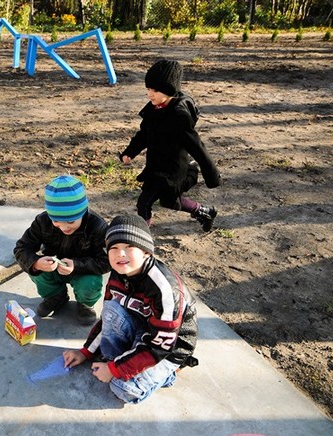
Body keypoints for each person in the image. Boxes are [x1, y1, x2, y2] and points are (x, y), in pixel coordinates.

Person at [63, 214, 198, 404]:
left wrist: (114, 369)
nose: (121, 254)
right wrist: (86, 352)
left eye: (129, 247)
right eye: (114, 248)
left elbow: (159, 346)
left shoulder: (165, 289)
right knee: (110, 313)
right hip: (141, 328)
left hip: (169, 347)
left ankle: (169, 373)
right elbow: (107, 318)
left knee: (122, 388)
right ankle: (123, 358)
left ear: (146, 252)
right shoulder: (119, 273)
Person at [119, 59, 222, 232]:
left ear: (169, 90)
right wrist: (130, 152)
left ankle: (142, 239)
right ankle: (205, 211)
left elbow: (196, 146)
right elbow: (143, 134)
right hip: (156, 166)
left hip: (172, 170)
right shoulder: (154, 109)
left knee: (144, 203)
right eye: (148, 89)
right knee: (169, 201)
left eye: (155, 90)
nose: (150, 94)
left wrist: (211, 175)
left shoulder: (178, 116)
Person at [13, 175, 110, 325]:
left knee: (90, 284)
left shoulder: (97, 227)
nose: (64, 227)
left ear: (83, 212)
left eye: (71, 221)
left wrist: (77, 265)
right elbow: (22, 248)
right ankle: (56, 296)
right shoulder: (42, 221)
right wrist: (36, 263)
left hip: (83, 271)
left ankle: (85, 304)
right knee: (38, 274)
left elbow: (106, 261)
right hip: (53, 269)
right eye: (56, 221)